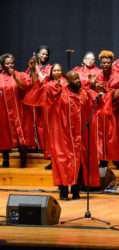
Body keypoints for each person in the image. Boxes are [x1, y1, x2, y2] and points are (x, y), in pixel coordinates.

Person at [23, 70, 102, 200]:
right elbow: (41, 91)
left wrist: (97, 94)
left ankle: (76, 191)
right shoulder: (59, 92)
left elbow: (95, 101)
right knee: (63, 162)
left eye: (78, 78)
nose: (78, 81)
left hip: (79, 135)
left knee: (79, 162)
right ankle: (64, 191)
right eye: (75, 79)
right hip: (63, 136)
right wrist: (33, 71)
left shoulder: (84, 92)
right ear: (68, 81)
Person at [92, 50, 119, 170]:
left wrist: (110, 94)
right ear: (100, 63)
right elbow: (93, 93)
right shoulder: (97, 76)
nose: (106, 65)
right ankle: (103, 161)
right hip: (101, 111)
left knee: (114, 137)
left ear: (112, 63)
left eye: (108, 62)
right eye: (103, 63)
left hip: (116, 111)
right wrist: (96, 90)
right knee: (101, 137)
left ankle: (116, 161)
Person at [0, 54, 32, 167]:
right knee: (4, 135)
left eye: (12, 63)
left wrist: (14, 76)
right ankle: (5, 160)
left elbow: (26, 86)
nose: (10, 65)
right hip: (3, 112)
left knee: (22, 135)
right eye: (7, 63)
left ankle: (23, 160)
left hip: (20, 111)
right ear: (2, 64)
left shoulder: (20, 75)